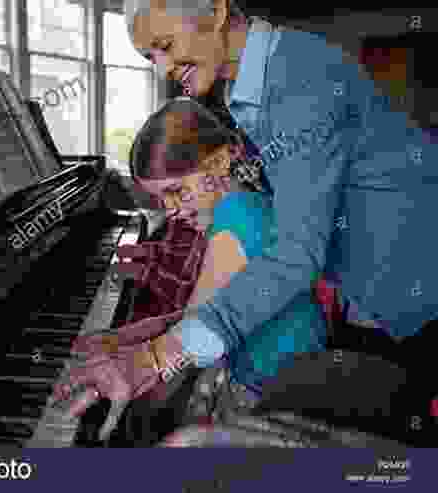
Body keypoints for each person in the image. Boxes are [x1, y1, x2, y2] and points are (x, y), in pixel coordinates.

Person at [54, 0, 438, 446]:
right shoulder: (255, 88)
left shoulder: (298, 81)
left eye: (164, 45)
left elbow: (295, 254)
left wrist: (151, 359)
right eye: (149, 57)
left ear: (217, 11)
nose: (161, 69)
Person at [58, 97, 328, 442]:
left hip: (277, 397)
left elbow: (194, 333)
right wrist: (119, 338)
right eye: (162, 200)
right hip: (272, 377)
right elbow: (196, 315)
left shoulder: (237, 214)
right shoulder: (244, 205)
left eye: (176, 191)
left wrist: (130, 382)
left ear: (219, 162)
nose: (171, 211)